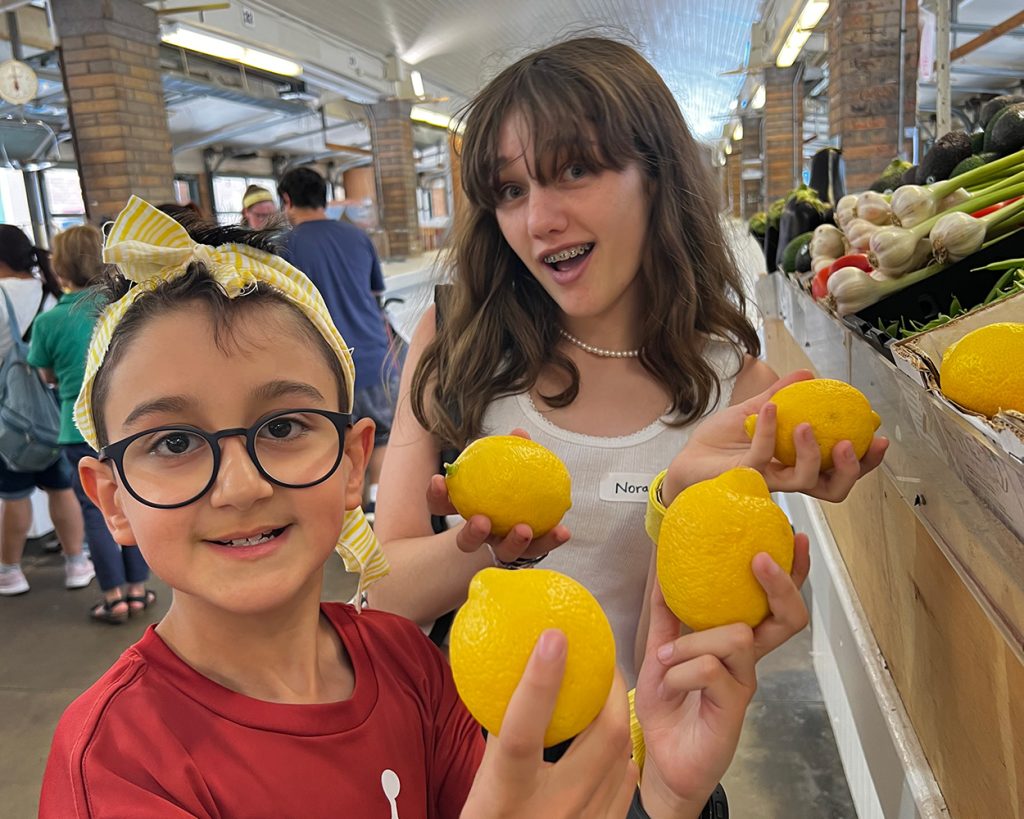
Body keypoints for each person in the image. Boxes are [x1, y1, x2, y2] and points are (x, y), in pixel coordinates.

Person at [41, 197, 765, 818]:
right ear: (111, 497)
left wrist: (667, 794)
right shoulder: (114, 760)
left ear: (354, 462)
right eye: (173, 441)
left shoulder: (414, 668)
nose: (239, 485)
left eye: (285, 427)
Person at [371, 37, 888, 682]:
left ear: (656, 174)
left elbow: (677, 649)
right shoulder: (455, 342)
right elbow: (380, 596)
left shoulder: (736, 394)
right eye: (509, 189)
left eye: (574, 171)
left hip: (644, 763)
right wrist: (490, 546)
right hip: (469, 770)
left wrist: (678, 506)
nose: (538, 220)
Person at [28, 225, 155, 623]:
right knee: (135, 504)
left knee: (98, 515)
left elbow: (45, 375)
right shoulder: (122, 311)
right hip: (125, 428)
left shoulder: (50, 322)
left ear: (60, 265)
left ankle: (115, 598)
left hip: (74, 430)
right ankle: (138, 589)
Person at [277, 166, 397, 511]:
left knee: (338, 452)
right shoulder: (358, 237)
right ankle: (382, 518)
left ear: (287, 200)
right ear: (324, 197)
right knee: (382, 437)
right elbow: (376, 295)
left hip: (322, 373)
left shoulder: (283, 247)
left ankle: (350, 531)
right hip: (376, 360)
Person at [0, 225, 93, 597]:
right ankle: (76, 562)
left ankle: (10, 571)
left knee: (14, 492)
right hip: (56, 410)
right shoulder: (51, 292)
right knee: (62, 486)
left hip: (13, 413)